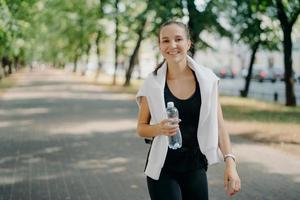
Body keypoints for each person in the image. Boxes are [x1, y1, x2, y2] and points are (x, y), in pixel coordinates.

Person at [136, 20, 241, 200]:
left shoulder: (207, 81)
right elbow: (141, 127)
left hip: (195, 166)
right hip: (162, 168)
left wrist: (230, 164)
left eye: (178, 39)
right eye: (165, 40)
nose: (172, 45)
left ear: (188, 43)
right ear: (160, 46)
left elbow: (219, 125)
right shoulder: (152, 83)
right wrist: (159, 129)